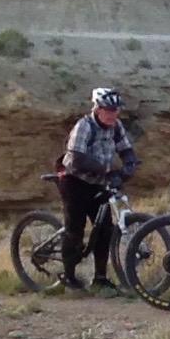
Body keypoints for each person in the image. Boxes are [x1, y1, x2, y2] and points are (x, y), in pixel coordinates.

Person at [57, 88, 142, 291]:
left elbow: (126, 148)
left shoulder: (116, 126)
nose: (113, 114)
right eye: (108, 109)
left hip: (98, 183)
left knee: (105, 230)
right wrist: (107, 169)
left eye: (116, 110)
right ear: (97, 108)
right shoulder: (84, 126)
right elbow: (77, 158)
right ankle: (68, 276)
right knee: (75, 230)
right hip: (74, 181)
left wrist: (130, 164)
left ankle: (100, 278)